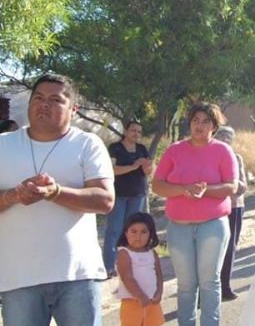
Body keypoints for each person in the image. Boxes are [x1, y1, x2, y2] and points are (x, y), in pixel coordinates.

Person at [0, 73, 115, 325]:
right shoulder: (2, 146)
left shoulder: (87, 144)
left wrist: (56, 193)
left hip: (78, 276)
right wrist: (13, 195)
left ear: (73, 109)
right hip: (18, 278)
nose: (44, 104)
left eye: (55, 100)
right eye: (38, 98)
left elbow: (105, 200)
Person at [152, 103, 238, 326]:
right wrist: (183, 190)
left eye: (205, 121)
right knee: (186, 284)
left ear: (214, 126)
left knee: (210, 282)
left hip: (213, 226)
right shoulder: (174, 150)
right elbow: (158, 185)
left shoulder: (222, 151)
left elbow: (232, 186)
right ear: (189, 123)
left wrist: (205, 190)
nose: (199, 125)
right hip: (178, 227)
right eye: (195, 121)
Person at [104, 119, 152, 276]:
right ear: (125, 131)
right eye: (133, 130)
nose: (136, 134)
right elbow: (111, 170)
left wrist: (145, 165)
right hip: (118, 195)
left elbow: (147, 172)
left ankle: (132, 264)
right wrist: (133, 166)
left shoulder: (142, 149)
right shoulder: (115, 148)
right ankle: (109, 266)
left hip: (137, 195)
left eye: (139, 131)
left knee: (134, 231)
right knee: (114, 230)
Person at [213, 126, 248, 302]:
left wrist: (231, 185)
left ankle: (225, 286)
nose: (224, 140)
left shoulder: (236, 158)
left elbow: (243, 185)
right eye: (221, 136)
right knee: (211, 248)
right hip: (213, 208)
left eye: (228, 137)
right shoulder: (209, 156)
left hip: (234, 207)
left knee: (229, 247)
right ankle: (209, 288)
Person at [115, 212, 164, 326]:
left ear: (150, 234)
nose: (138, 236)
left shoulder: (152, 253)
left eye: (143, 232)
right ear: (126, 233)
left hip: (152, 301)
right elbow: (127, 277)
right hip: (132, 302)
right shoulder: (124, 253)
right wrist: (140, 296)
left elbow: (159, 275)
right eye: (133, 231)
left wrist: (159, 292)